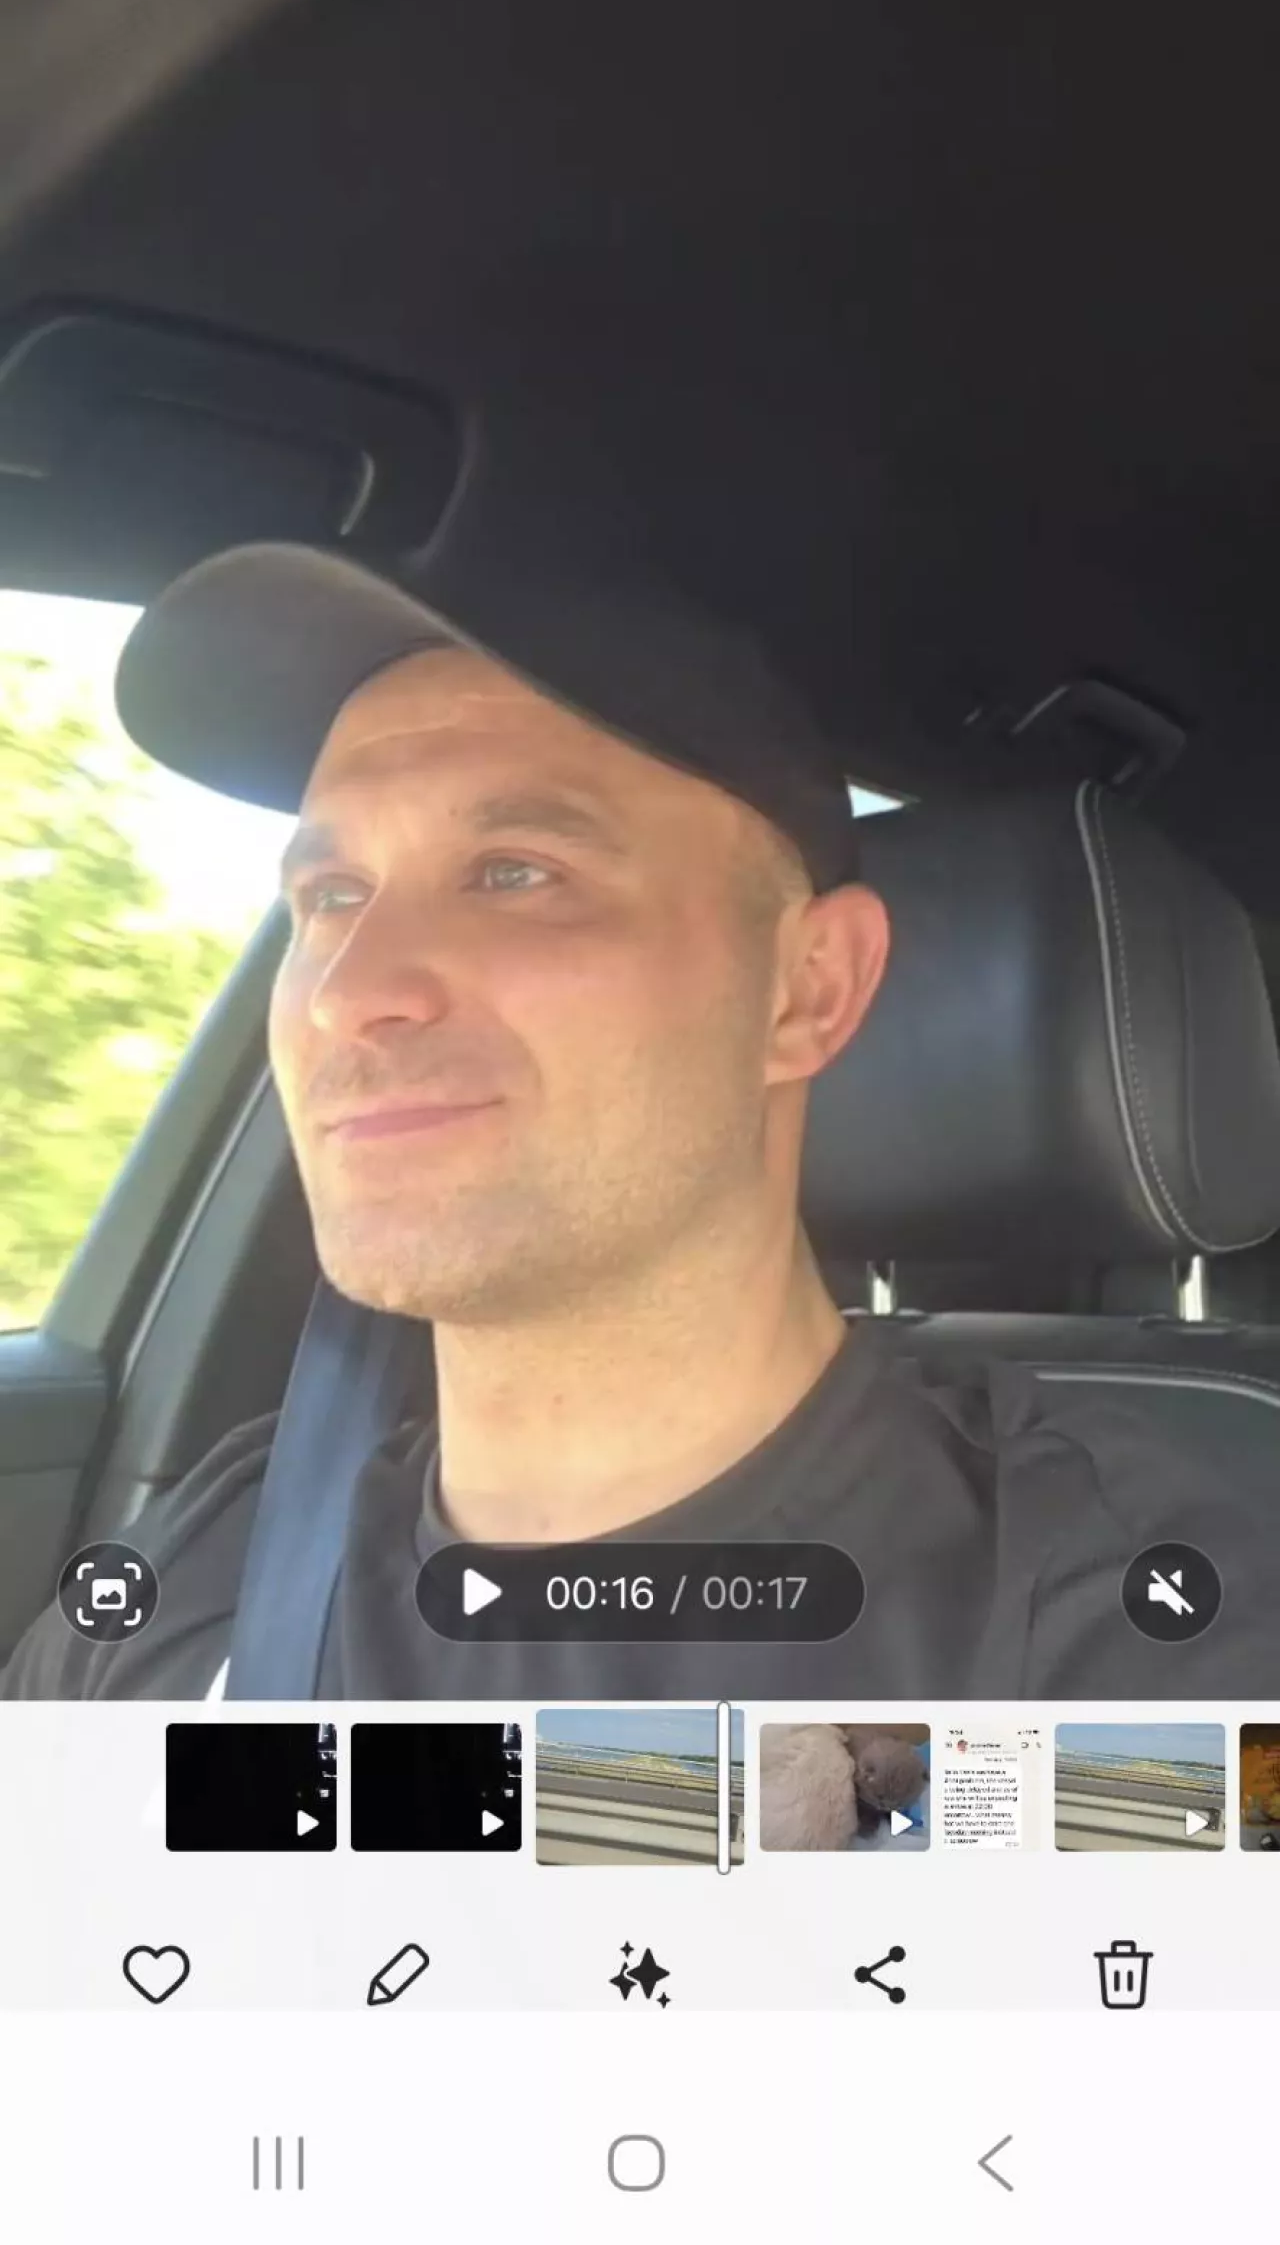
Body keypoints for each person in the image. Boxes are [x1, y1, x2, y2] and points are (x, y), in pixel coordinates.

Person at [5, 479, 1280, 1701]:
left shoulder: (1142, 1635)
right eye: (331, 896)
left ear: (806, 989)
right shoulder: (205, 1571)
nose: (349, 991)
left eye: (513, 872)